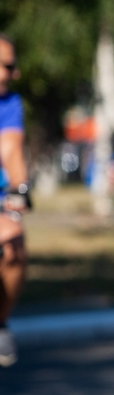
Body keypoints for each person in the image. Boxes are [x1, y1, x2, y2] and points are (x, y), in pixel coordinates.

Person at [0, 34, 29, 367]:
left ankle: (1, 322)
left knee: (12, 241)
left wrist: (19, 189)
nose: (14, 73)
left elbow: (11, 151)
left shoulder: (9, 104)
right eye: (8, 66)